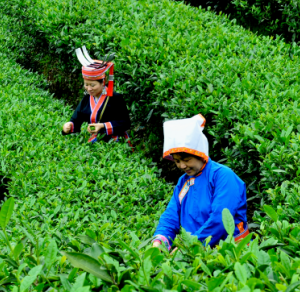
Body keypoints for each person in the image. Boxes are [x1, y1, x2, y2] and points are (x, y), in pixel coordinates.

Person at [152, 115, 249, 250]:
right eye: (177, 161)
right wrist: (160, 241)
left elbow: (220, 220)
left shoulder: (222, 176)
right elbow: (171, 215)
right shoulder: (184, 182)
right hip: (195, 252)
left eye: (186, 159)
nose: (182, 166)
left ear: (200, 153)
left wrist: (189, 247)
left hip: (229, 251)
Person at [62, 46, 130, 143]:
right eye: (86, 85)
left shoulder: (115, 98)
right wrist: (68, 126)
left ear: (103, 82)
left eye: (92, 85)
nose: (89, 88)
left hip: (114, 141)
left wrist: (102, 126)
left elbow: (125, 123)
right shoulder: (86, 99)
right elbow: (76, 120)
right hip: (94, 141)